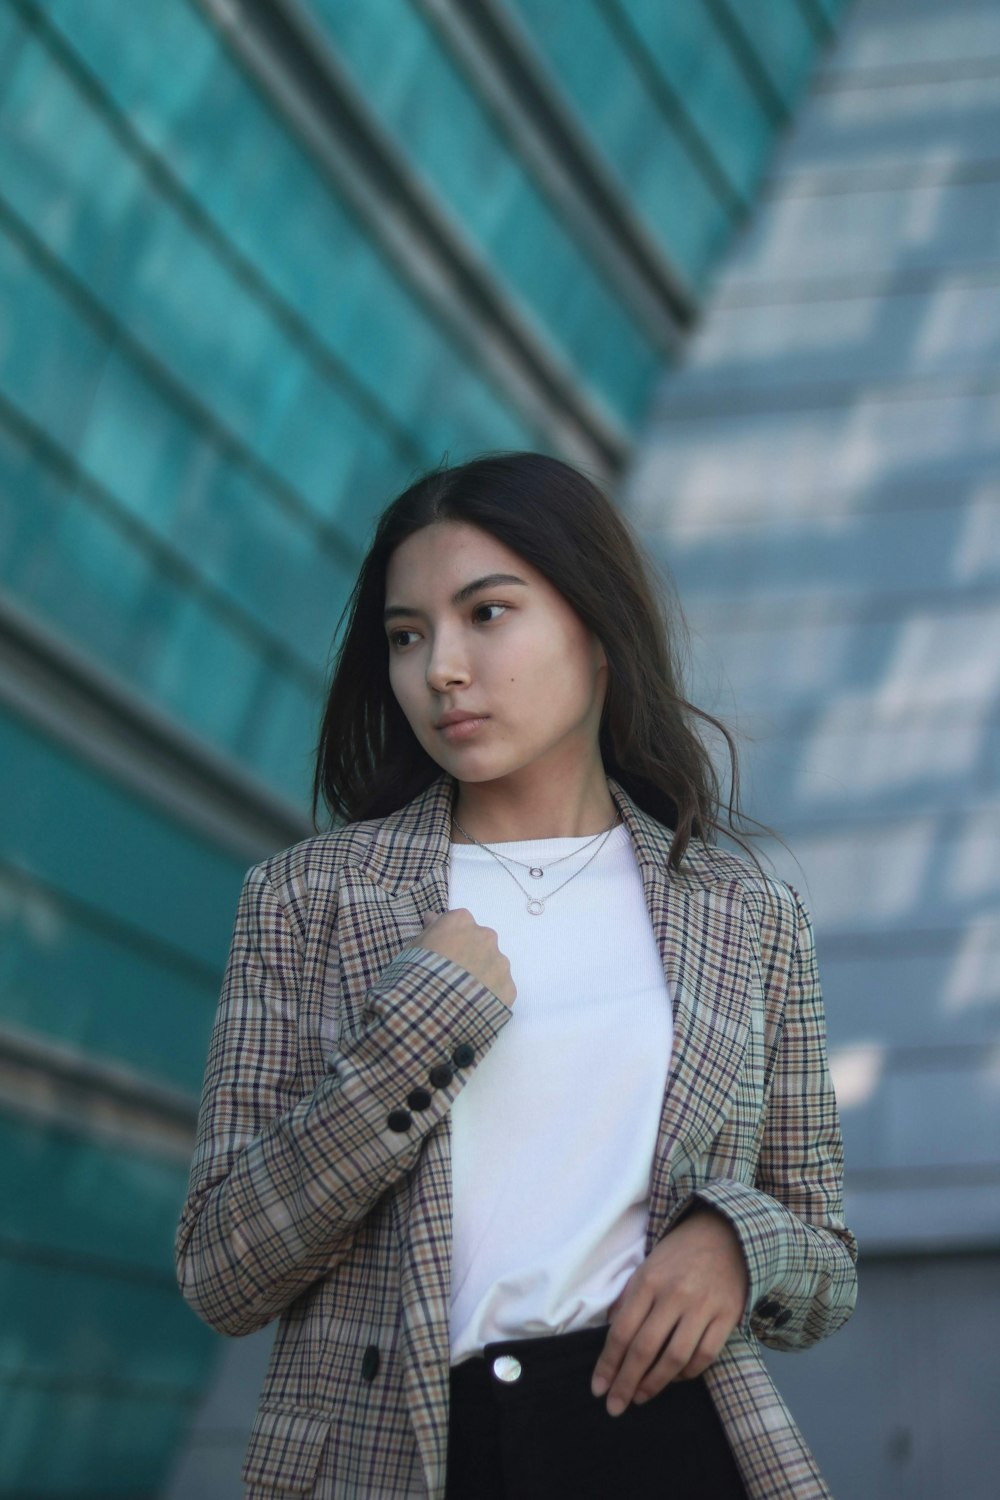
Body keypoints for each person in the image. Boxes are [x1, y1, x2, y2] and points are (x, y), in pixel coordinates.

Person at [175, 451, 857, 1500]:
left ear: (596, 628)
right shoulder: (307, 900)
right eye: (406, 636)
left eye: (487, 615)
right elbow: (224, 1268)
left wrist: (736, 1241)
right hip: (405, 1456)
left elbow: (824, 1256)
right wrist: (418, 1030)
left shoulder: (745, 912)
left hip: (669, 1444)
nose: (441, 667)